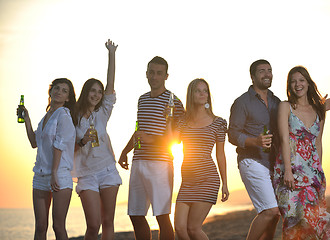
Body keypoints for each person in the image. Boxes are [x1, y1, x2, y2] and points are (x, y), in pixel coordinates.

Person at [118, 56, 185, 240]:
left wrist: (151, 139)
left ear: (166, 76)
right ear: (146, 74)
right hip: (138, 161)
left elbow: (177, 138)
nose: (154, 77)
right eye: (151, 72)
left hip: (161, 163)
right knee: (136, 214)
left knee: (162, 215)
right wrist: (125, 151)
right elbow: (139, 131)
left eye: (159, 73)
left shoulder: (174, 101)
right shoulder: (142, 99)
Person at [273, 66, 330, 239]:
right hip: (289, 172)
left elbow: (318, 142)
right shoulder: (285, 107)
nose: (297, 84)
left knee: (318, 220)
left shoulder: (319, 111)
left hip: (312, 174)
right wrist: (287, 170)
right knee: (295, 221)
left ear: (308, 83)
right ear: (289, 86)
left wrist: (320, 172)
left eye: (301, 80)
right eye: (293, 81)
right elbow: (284, 140)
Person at [73, 39, 122, 240]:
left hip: (108, 170)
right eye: (93, 90)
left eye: (99, 92)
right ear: (86, 92)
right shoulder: (72, 117)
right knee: (93, 225)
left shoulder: (102, 113)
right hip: (86, 175)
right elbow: (69, 147)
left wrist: (111, 54)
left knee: (108, 221)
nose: (96, 94)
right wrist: (83, 141)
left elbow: (111, 83)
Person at [228, 59, 281, 240]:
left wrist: (319, 108)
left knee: (275, 216)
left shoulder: (277, 102)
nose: (266, 74)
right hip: (251, 161)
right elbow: (232, 135)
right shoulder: (242, 102)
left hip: (273, 163)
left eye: (269, 70)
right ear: (252, 77)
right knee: (270, 211)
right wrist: (255, 141)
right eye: (261, 71)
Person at [18, 78, 76, 240]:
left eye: (64, 91)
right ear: (50, 91)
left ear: (68, 98)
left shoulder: (64, 115)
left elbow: (60, 145)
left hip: (59, 175)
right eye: (56, 88)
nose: (59, 92)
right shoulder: (46, 117)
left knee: (58, 226)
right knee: (40, 227)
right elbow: (33, 142)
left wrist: (55, 172)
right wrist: (27, 118)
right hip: (40, 176)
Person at [172, 78, 229, 240]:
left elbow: (220, 155)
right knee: (180, 228)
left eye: (205, 90)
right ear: (191, 94)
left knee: (193, 229)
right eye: (198, 90)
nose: (203, 94)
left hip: (207, 179)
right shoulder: (182, 121)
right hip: (187, 182)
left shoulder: (218, 123)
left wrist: (225, 183)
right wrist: (170, 119)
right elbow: (172, 141)